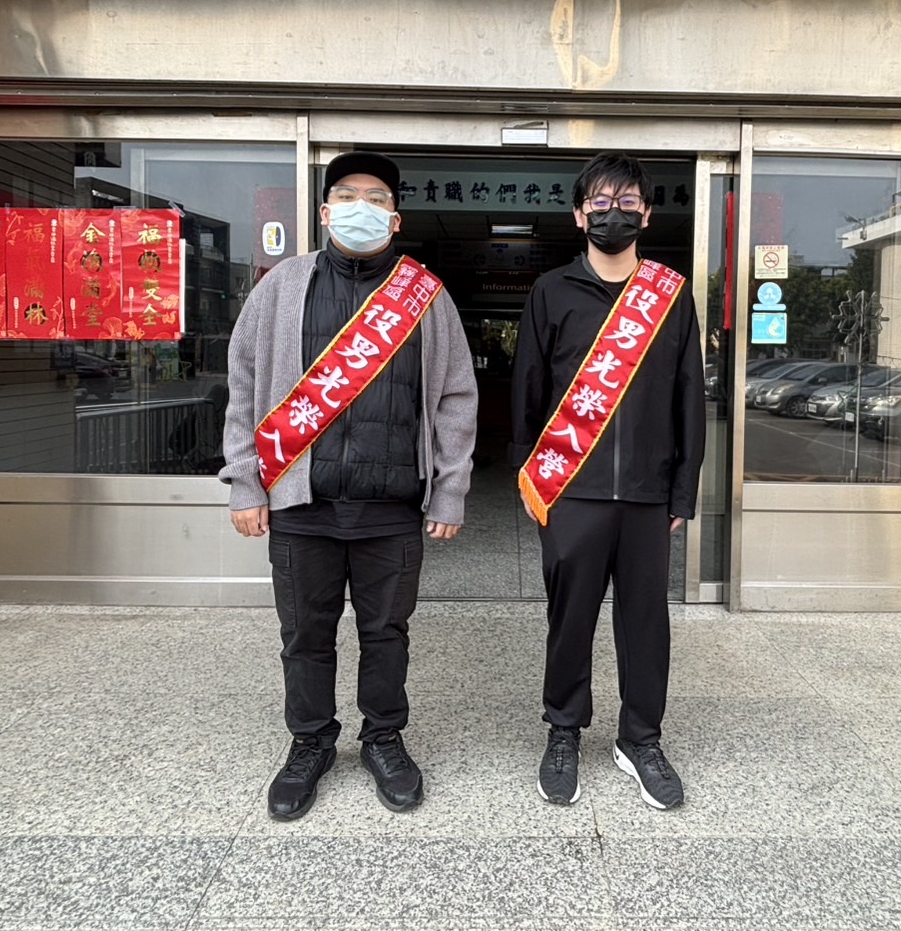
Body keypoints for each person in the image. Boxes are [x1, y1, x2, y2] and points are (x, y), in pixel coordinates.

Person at [221, 151, 477, 821]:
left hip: (390, 508)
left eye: (376, 197)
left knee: (386, 633)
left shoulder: (424, 295)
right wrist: (245, 482)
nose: (361, 206)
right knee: (305, 635)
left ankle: (383, 738)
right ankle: (309, 742)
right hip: (300, 504)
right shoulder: (281, 287)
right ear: (325, 211)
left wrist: (449, 489)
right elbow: (243, 384)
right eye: (347, 195)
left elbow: (456, 397)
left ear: (395, 218)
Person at [510, 151, 705, 811]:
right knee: (569, 621)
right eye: (599, 201)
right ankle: (563, 731)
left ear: (646, 214)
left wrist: (682, 489)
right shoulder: (551, 291)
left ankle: (640, 739)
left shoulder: (669, 295)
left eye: (626, 202)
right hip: (571, 490)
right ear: (578, 214)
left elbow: (688, 395)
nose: (612, 212)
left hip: (648, 495)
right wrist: (531, 479)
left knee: (646, 624)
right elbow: (528, 388)